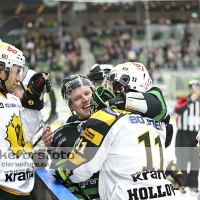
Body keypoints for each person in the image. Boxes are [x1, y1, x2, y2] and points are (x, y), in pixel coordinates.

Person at [57, 62, 177, 199]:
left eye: (113, 85)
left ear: (125, 85)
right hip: (166, 193)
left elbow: (77, 171)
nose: (108, 90)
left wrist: (63, 168)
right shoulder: (159, 119)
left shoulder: (105, 117)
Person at [0, 40, 51, 200]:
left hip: (23, 187)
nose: (19, 78)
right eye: (16, 71)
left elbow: (22, 139)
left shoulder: (13, 100)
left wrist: (32, 104)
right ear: (1, 70)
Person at [175, 79, 200, 194]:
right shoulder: (183, 99)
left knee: (196, 160)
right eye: (192, 87)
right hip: (183, 133)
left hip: (197, 134)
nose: (194, 89)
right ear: (189, 89)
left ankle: (193, 184)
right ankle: (182, 184)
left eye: (196, 87)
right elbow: (178, 110)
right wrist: (190, 101)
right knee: (182, 159)